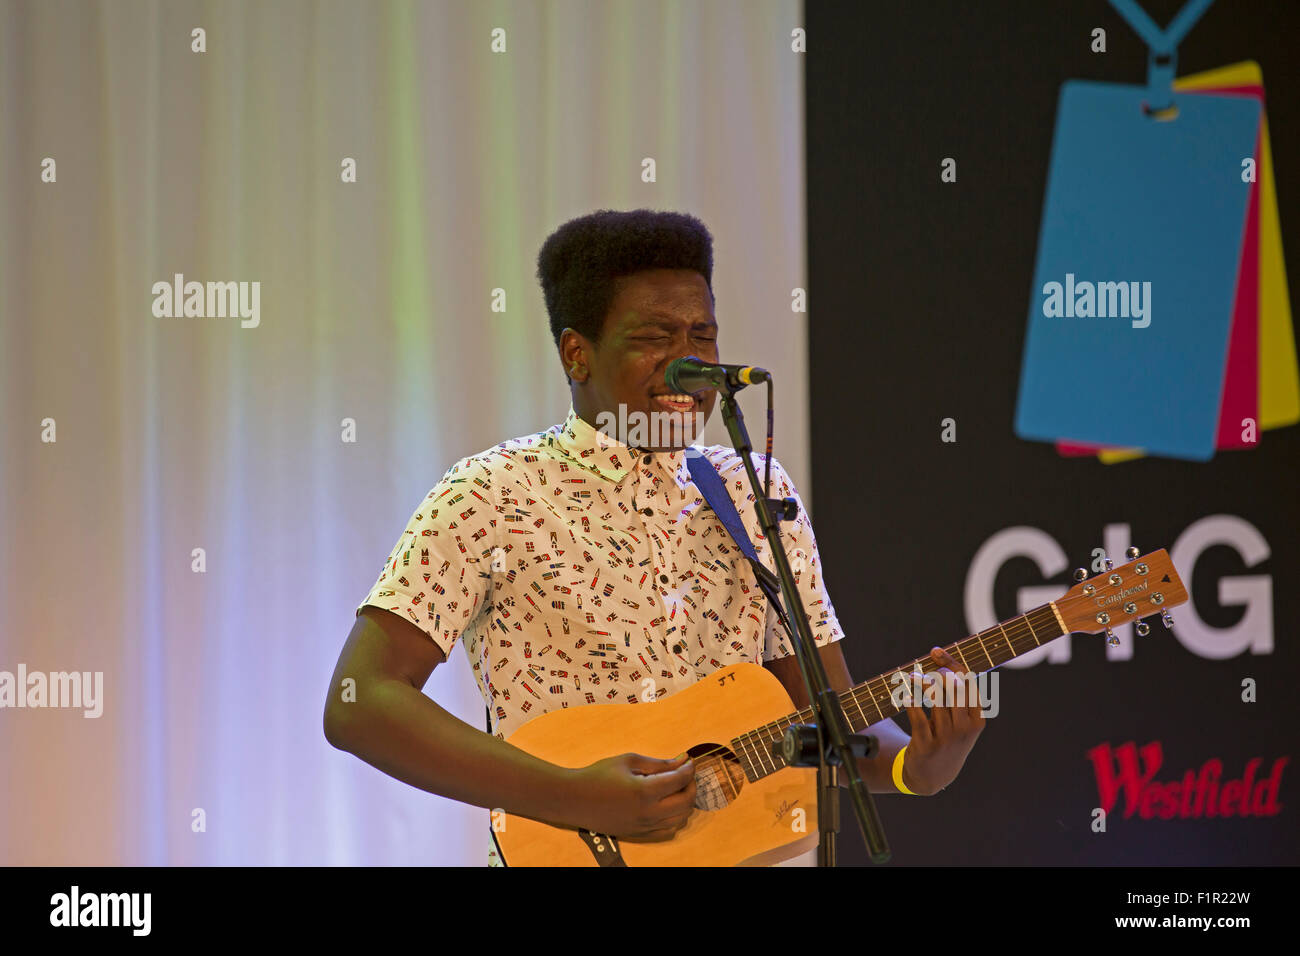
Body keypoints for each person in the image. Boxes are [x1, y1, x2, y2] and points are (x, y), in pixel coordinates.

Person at [322, 209, 984, 866]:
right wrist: (573, 795)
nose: (688, 360)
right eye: (655, 336)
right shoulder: (491, 492)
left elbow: (821, 733)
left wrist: (919, 765)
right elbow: (361, 703)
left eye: (703, 333)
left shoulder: (756, 490)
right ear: (576, 354)